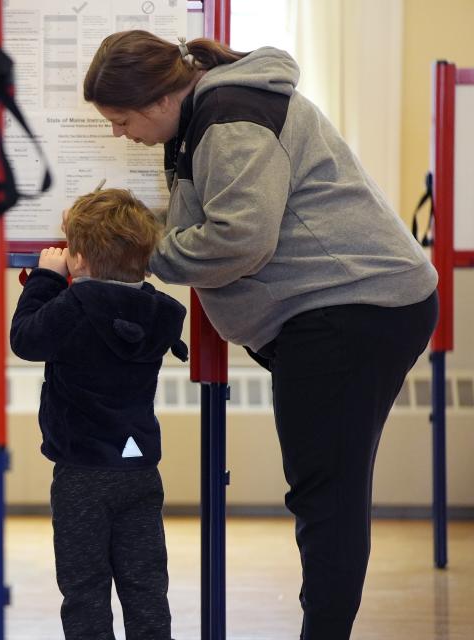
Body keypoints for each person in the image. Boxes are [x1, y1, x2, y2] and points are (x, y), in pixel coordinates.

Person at [83, 31, 439, 640]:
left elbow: (242, 238)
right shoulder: (210, 115)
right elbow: (218, 218)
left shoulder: (229, 119)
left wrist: (143, 259)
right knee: (327, 489)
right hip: (349, 308)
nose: (119, 134)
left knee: (326, 496)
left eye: (120, 120)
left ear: (158, 99)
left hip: (351, 308)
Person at [10, 187, 188, 640]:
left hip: (81, 474)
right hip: (141, 470)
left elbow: (26, 339)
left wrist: (45, 279)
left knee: (85, 587)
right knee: (146, 583)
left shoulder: (73, 308)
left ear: (80, 259)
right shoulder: (158, 312)